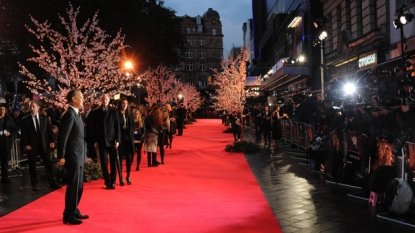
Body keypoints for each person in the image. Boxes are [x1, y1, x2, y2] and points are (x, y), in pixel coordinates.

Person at [57, 89, 89, 225]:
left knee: (79, 186)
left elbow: (80, 137)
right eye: (80, 97)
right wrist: (61, 156)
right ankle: (68, 214)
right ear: (73, 99)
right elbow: (63, 138)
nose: (83, 99)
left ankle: (74, 209)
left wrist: (85, 155)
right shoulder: (69, 114)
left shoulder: (76, 114)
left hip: (79, 155)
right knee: (74, 186)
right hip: (72, 155)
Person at [20, 101, 61, 191]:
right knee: (32, 165)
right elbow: (24, 134)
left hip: (44, 144)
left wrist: (52, 141)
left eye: (33, 106)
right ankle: (34, 184)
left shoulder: (45, 118)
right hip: (32, 146)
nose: (32, 108)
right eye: (31, 107)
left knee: (48, 164)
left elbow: (49, 131)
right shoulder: (25, 120)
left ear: (38, 107)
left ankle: (53, 182)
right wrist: (26, 144)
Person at [92, 94, 122, 189]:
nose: (104, 101)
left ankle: (112, 181)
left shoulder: (114, 112)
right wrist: (95, 140)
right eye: (103, 99)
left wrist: (118, 140)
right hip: (101, 140)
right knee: (104, 162)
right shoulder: (96, 112)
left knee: (113, 162)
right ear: (101, 100)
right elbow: (93, 128)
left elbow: (117, 127)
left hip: (112, 139)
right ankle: (106, 180)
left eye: (106, 99)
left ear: (109, 100)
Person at [117, 98, 135, 185]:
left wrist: (131, 134)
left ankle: (128, 175)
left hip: (128, 139)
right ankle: (120, 177)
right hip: (120, 139)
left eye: (126, 104)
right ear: (120, 104)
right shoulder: (117, 114)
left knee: (129, 158)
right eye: (123, 103)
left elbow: (133, 125)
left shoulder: (130, 114)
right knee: (119, 158)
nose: (124, 105)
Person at [0, 104, 17, 183]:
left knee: (5, 161)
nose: (2, 111)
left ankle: (5, 177)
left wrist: (10, 134)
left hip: (6, 142)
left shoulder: (9, 119)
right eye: (0, 109)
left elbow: (14, 130)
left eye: (3, 109)